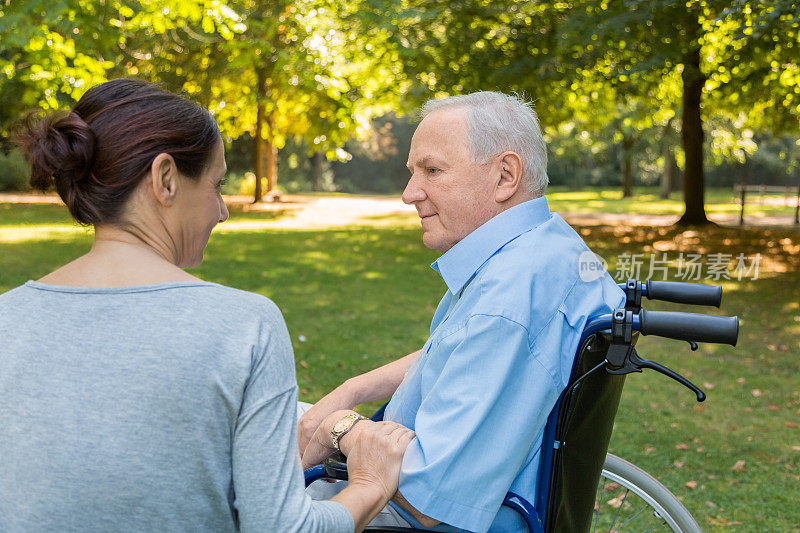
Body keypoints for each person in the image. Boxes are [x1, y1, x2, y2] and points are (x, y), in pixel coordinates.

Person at [0, 78, 414, 533]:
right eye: (216, 186)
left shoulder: (8, 317)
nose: (223, 211)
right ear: (165, 179)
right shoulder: (244, 325)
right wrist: (371, 483)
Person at [298, 91, 626, 532]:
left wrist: (340, 428)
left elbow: (428, 496)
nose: (409, 193)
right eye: (413, 172)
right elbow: (457, 352)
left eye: (432, 171)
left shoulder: (507, 304)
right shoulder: (548, 249)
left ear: (505, 176)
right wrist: (352, 390)